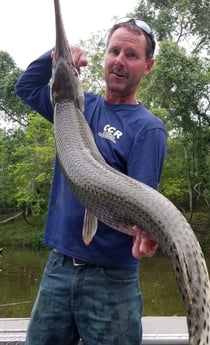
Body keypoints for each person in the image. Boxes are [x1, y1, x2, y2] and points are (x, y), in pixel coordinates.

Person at [15, 17, 167, 345]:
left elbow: (142, 205)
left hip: (111, 280)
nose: (119, 61)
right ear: (104, 56)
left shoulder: (147, 128)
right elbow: (25, 87)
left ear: (148, 66)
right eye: (114, 51)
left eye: (131, 54)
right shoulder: (74, 108)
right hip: (58, 267)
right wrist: (55, 57)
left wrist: (147, 234)